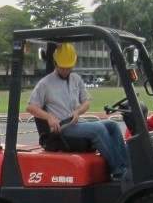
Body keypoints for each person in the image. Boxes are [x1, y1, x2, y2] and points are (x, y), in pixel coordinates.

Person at [25, 43, 129, 179]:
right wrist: (50, 118)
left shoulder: (76, 79)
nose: (66, 70)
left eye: (69, 66)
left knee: (113, 126)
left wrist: (77, 112)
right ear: (56, 62)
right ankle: (119, 171)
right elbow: (30, 107)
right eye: (63, 66)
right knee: (98, 129)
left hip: (77, 121)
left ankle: (127, 166)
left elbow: (87, 102)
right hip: (63, 126)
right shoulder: (45, 83)